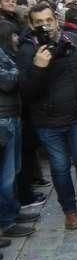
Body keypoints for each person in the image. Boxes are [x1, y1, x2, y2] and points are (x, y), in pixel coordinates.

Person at [17, 3, 77, 230]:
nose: (45, 26)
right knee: (60, 166)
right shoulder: (28, 50)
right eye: (38, 23)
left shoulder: (74, 40)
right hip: (48, 122)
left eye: (48, 20)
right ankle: (69, 210)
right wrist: (38, 67)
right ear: (31, 25)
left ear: (56, 20)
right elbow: (25, 92)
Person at [0, 21, 35, 241]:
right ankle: (7, 221)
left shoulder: (6, 54)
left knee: (12, 171)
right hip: (3, 121)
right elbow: (7, 82)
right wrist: (21, 70)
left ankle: (12, 213)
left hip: (11, 116)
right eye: (14, 35)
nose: (17, 39)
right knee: (5, 175)